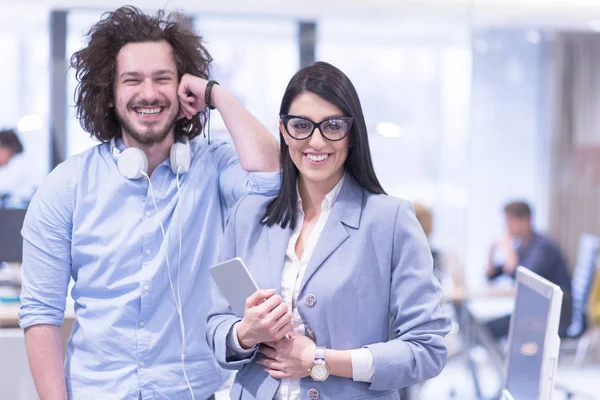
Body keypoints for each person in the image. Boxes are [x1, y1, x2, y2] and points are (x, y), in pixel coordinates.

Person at [18, 6, 280, 400]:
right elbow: (41, 313)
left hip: (191, 392)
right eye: (132, 80)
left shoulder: (214, 166)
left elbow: (272, 175)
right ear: (109, 94)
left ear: (183, 89)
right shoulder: (65, 186)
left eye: (163, 78)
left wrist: (214, 93)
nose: (149, 93)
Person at [206, 62, 451, 399]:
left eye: (333, 126)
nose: (316, 141)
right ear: (284, 130)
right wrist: (245, 334)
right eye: (301, 126)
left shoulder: (390, 221)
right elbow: (217, 322)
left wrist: (320, 361)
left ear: (352, 135)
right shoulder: (248, 214)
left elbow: (427, 349)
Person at [485, 201, 573, 338]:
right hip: (533, 314)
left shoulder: (543, 247)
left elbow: (522, 278)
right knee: (483, 327)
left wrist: (507, 247)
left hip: (550, 318)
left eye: (510, 221)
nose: (507, 227)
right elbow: (491, 275)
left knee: (487, 330)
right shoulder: (524, 246)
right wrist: (491, 251)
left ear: (526, 220)